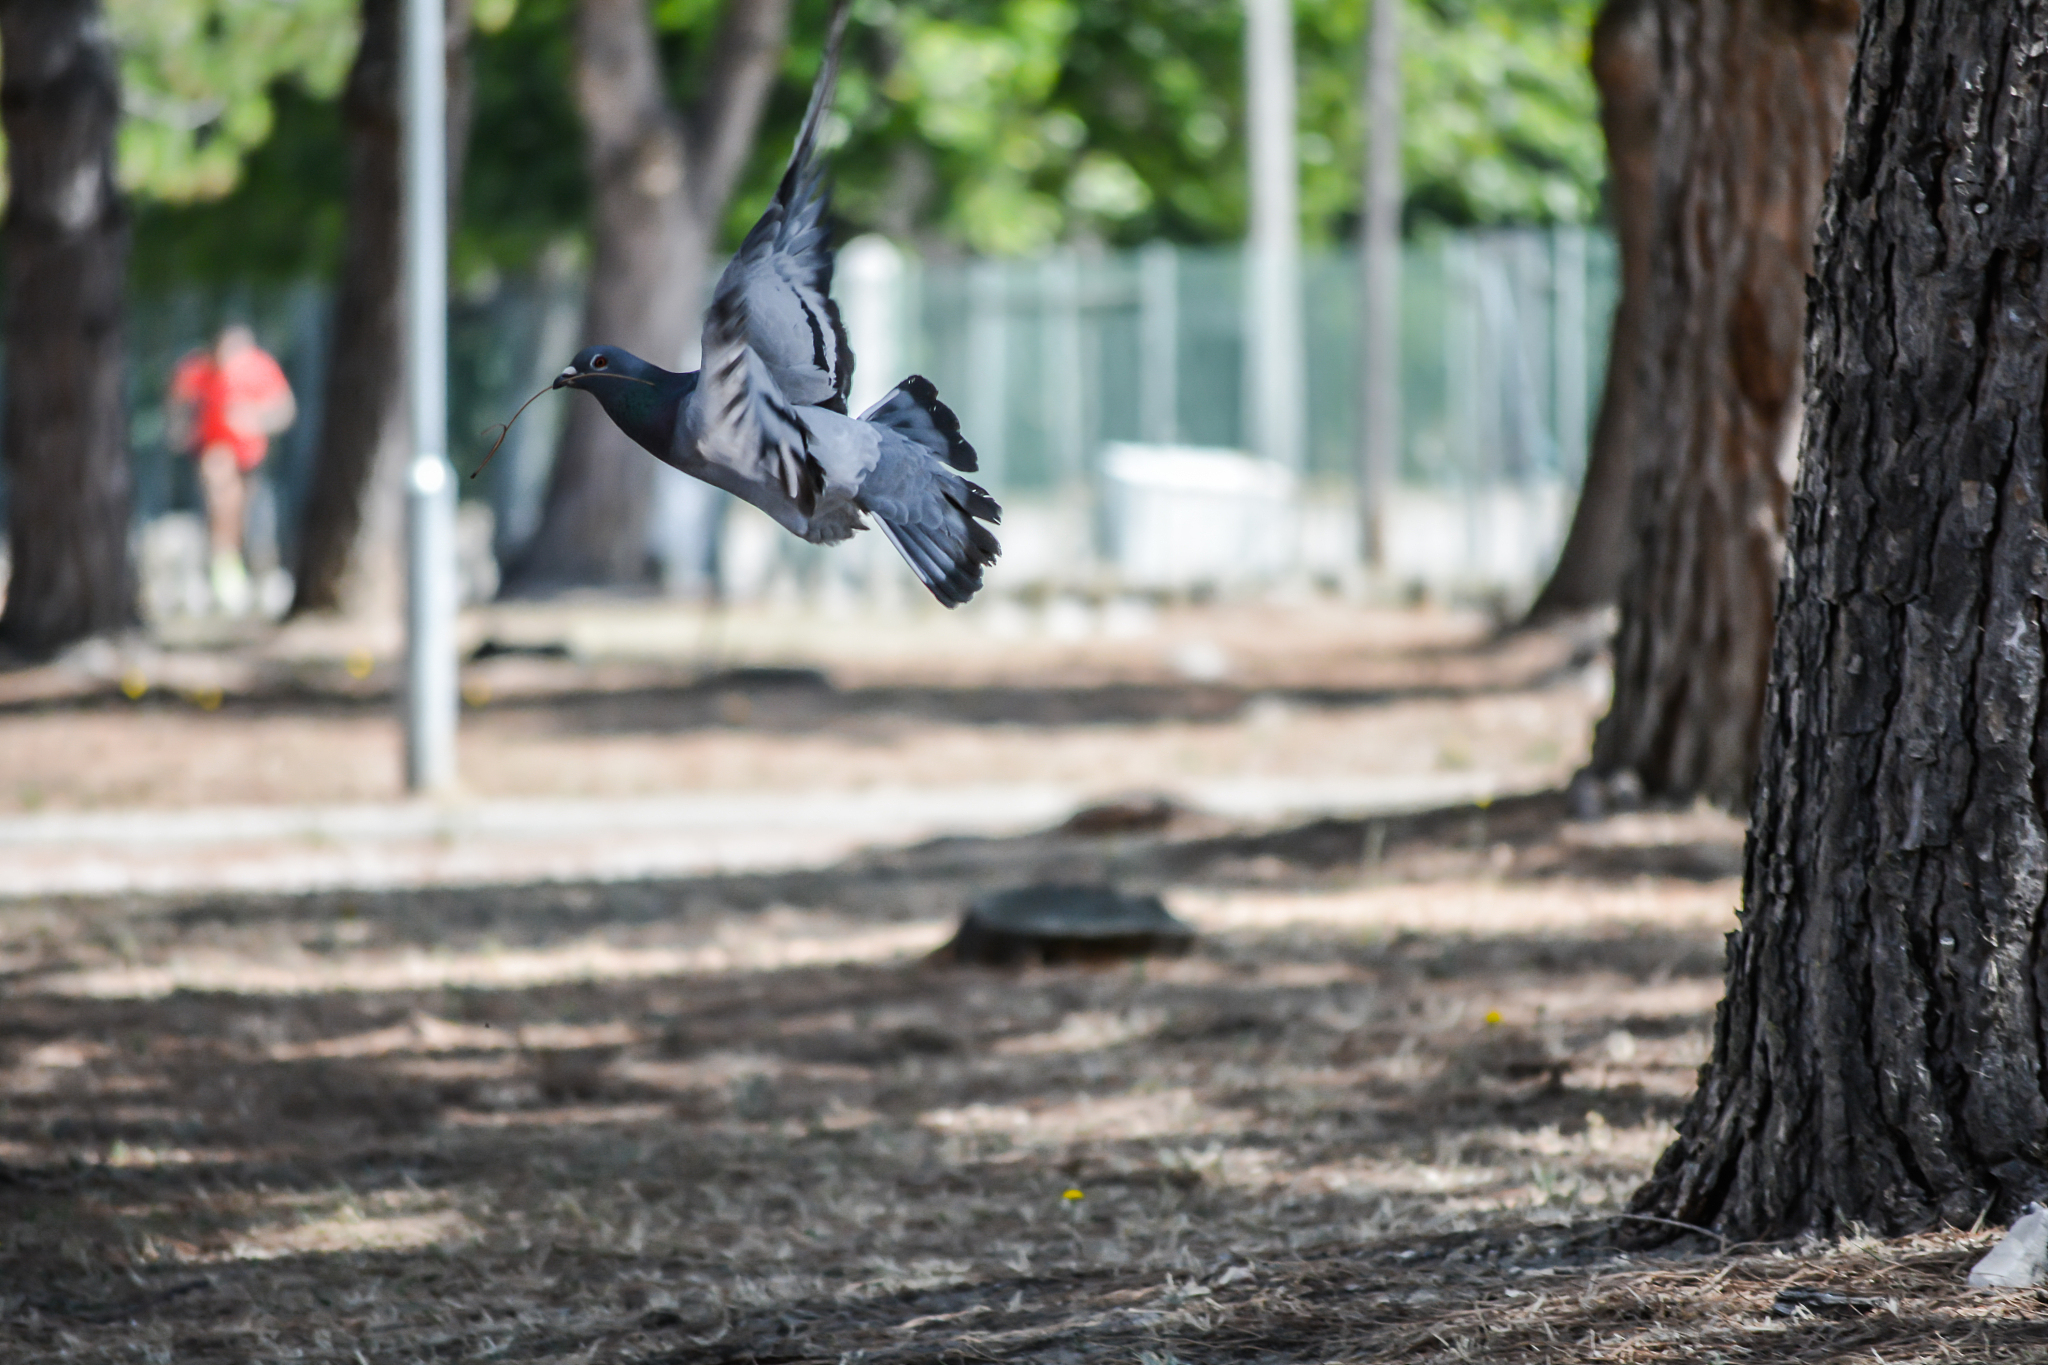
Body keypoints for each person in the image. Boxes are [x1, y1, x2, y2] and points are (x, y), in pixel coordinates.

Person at [167, 324, 296, 614]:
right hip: (215, 450)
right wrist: (181, 428)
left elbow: (285, 410)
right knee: (220, 500)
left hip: (251, 456)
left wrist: (255, 418)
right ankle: (223, 569)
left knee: (245, 513)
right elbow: (178, 398)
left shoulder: (261, 368)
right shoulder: (199, 369)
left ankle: (245, 567)